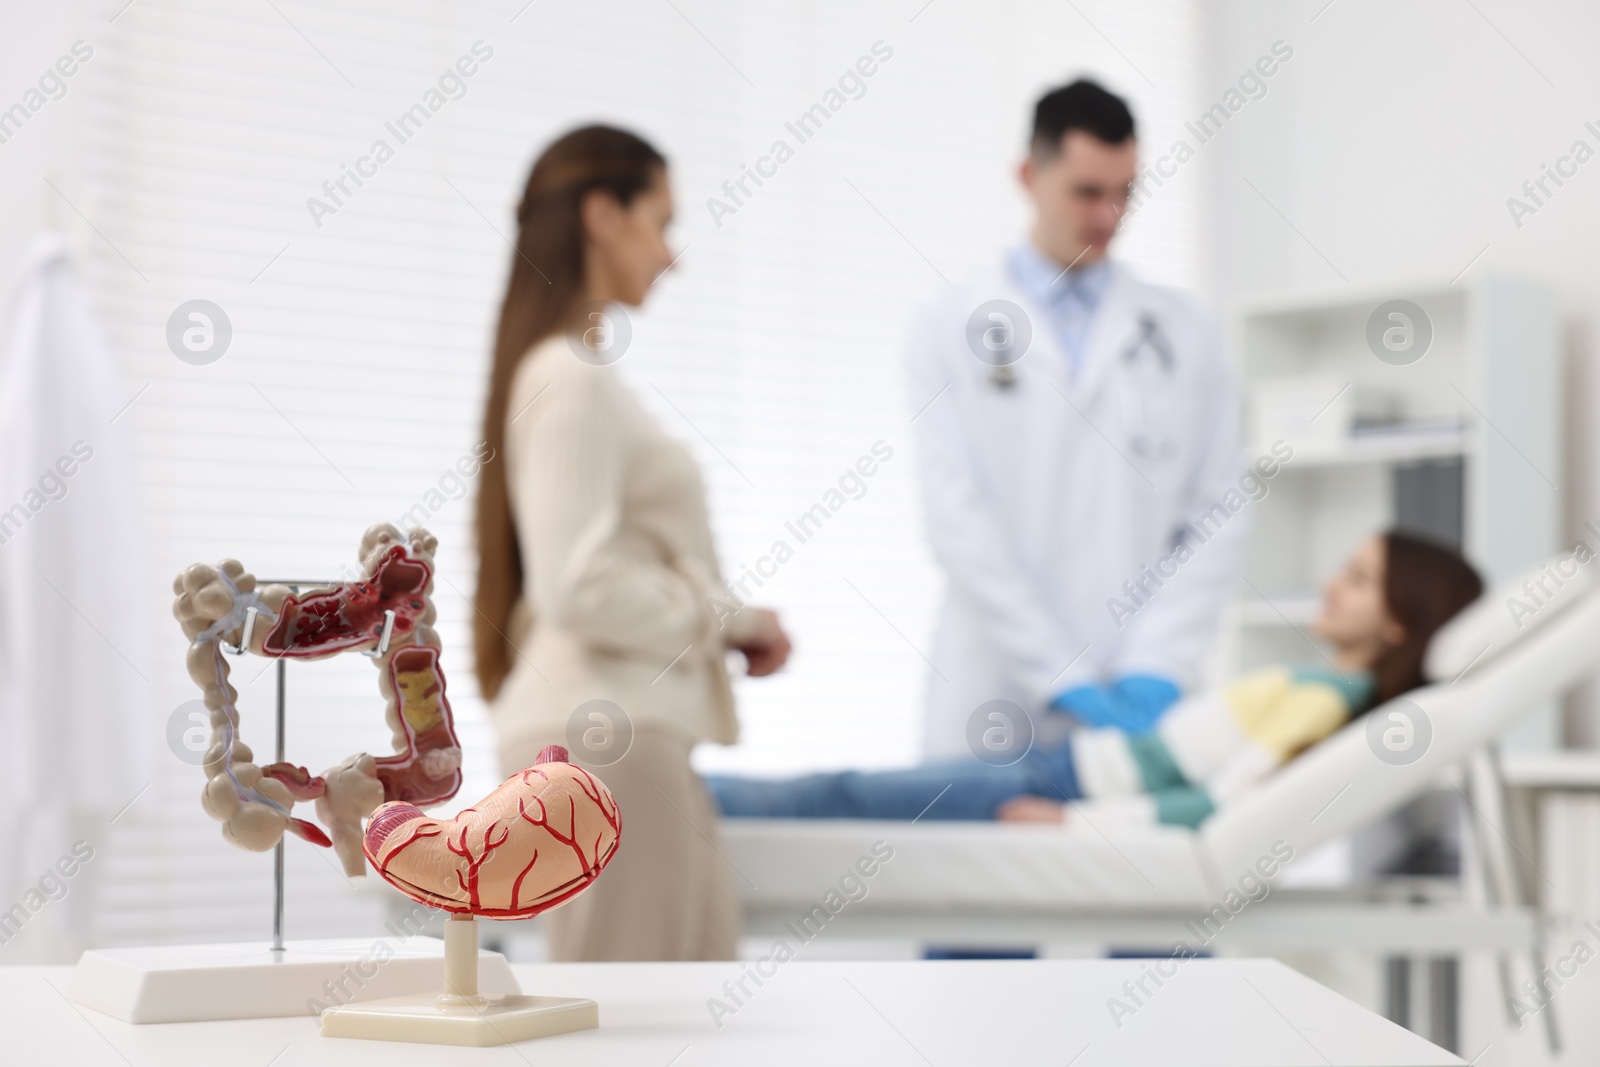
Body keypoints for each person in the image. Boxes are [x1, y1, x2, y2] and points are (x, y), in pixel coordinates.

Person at [473, 125, 792, 961]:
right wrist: (730, 620)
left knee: (683, 1012)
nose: (672, 255)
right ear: (603, 214)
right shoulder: (568, 379)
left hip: (630, 735)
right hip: (610, 738)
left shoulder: (572, 376)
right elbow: (578, 585)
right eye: (663, 222)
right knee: (631, 1027)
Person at [907, 79, 1248, 759]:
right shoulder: (950, 325)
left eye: (1126, 191)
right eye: (1088, 192)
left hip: (1145, 687)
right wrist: (1057, 673)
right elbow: (956, 520)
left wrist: (1157, 660)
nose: (1109, 214)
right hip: (995, 684)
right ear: (1029, 176)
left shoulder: (1184, 331)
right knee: (977, 862)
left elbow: (1219, 511)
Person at [707, 532, 1482, 828]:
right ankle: (682, 801)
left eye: (1357, 579)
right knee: (847, 793)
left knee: (844, 796)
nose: (1331, 584)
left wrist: (1072, 825)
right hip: (1073, 768)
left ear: (1399, 623)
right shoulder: (1326, 685)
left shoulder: (1327, 697)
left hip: (1068, 784)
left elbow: (1230, 801)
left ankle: (682, 803)